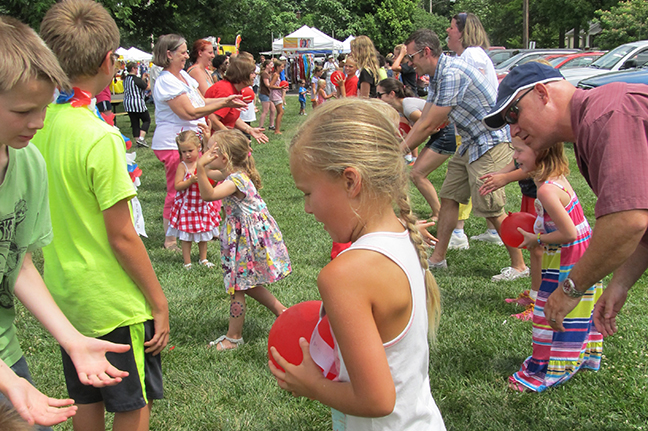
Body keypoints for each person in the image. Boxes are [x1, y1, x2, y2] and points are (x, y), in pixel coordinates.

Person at [35, 2, 174, 429]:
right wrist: (159, 302)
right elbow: (122, 235)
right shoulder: (99, 136)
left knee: (87, 397)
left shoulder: (37, 123)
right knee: (132, 404)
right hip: (115, 301)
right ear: (107, 61)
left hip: (67, 296)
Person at [270, 98, 445, 429]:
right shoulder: (404, 236)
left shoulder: (345, 274)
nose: (307, 208)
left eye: (307, 192)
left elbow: (377, 399)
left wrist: (311, 385)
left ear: (350, 181)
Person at [0, 14, 132, 429]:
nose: (38, 123)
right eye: (24, 110)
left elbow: (17, 262)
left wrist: (70, 338)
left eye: (43, 107)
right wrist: (9, 383)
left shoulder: (27, 163)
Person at [482, 61, 648, 336]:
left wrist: (571, 288)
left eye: (513, 114)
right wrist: (620, 283)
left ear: (541, 93)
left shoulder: (606, 115)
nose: (512, 130)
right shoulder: (590, 127)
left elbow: (628, 220)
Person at [401, 29, 527, 281]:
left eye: (412, 56)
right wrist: (401, 147)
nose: (409, 62)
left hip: (490, 141)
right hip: (470, 141)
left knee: (491, 207)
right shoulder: (438, 75)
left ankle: (520, 266)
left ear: (426, 52)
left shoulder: (452, 73)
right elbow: (426, 116)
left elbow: (429, 125)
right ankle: (437, 259)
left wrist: (397, 153)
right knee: (449, 197)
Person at [508, 138, 603, 392]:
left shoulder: (546, 190)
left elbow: (569, 233)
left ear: (540, 153)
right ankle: (577, 356)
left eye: (519, 151)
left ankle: (549, 367)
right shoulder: (554, 177)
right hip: (574, 252)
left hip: (567, 256)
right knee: (574, 310)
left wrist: (535, 238)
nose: (515, 157)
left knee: (549, 311)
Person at [196, 129, 291, 351]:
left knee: (238, 287)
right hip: (245, 237)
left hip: (246, 240)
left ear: (225, 157)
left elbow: (208, 195)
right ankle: (282, 311)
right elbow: (211, 172)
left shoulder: (235, 180)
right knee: (246, 284)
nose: (207, 155)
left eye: (212, 151)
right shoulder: (234, 174)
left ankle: (233, 337)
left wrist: (200, 167)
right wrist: (207, 149)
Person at [150, 33, 245, 252]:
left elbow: (201, 102)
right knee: (178, 189)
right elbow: (190, 112)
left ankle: (200, 228)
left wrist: (226, 101)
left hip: (191, 141)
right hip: (174, 143)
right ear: (169, 54)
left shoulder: (183, 76)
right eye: (182, 52)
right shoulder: (166, 81)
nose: (186, 56)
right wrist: (220, 103)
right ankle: (170, 239)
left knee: (203, 182)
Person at [445, 12, 503, 247]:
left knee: (486, 194)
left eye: (451, 27)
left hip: (481, 135)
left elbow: (472, 92)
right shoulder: (473, 55)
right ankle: (489, 232)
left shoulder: (471, 55)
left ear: (462, 31)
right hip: (475, 134)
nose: (448, 31)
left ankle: (517, 260)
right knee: (456, 190)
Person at [377, 78, 455, 223]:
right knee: (417, 174)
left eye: (379, 94)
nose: (377, 98)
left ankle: (438, 213)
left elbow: (432, 126)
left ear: (391, 94)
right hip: (442, 134)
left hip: (445, 134)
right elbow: (413, 132)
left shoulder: (408, 107)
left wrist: (403, 149)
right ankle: (438, 212)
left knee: (418, 174)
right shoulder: (403, 109)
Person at [167, 130, 221, 270]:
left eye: (190, 150)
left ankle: (203, 258)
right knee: (186, 238)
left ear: (198, 147)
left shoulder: (202, 164)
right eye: (183, 152)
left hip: (202, 205)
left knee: (203, 236)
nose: (187, 154)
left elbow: (211, 183)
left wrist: (213, 181)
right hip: (188, 207)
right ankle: (187, 262)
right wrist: (190, 181)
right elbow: (177, 186)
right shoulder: (182, 166)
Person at [204, 54, 268, 144]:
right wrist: (230, 138)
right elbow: (212, 119)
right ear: (242, 74)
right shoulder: (226, 90)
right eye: (252, 73)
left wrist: (249, 130)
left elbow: (231, 116)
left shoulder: (235, 89)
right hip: (214, 142)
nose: (255, 76)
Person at [122, 61, 150, 148]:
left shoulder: (126, 79)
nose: (137, 70)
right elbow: (146, 87)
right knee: (146, 119)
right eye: (136, 68)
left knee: (135, 123)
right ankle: (141, 138)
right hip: (137, 102)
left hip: (128, 103)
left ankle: (138, 141)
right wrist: (148, 80)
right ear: (133, 69)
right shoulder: (135, 79)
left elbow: (138, 85)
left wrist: (142, 78)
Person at [258, 60, 276, 130]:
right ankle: (260, 126)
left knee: (273, 109)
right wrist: (276, 87)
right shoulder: (264, 74)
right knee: (265, 111)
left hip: (269, 94)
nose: (272, 66)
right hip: (264, 94)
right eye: (271, 65)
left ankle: (271, 125)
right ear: (267, 66)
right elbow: (267, 84)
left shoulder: (268, 73)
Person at [269, 59, 285, 134]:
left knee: (280, 112)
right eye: (282, 67)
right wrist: (280, 88)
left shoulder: (277, 75)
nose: (283, 68)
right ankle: (277, 130)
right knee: (280, 112)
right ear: (277, 67)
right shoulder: (276, 75)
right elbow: (271, 85)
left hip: (277, 94)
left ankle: (277, 128)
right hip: (275, 95)